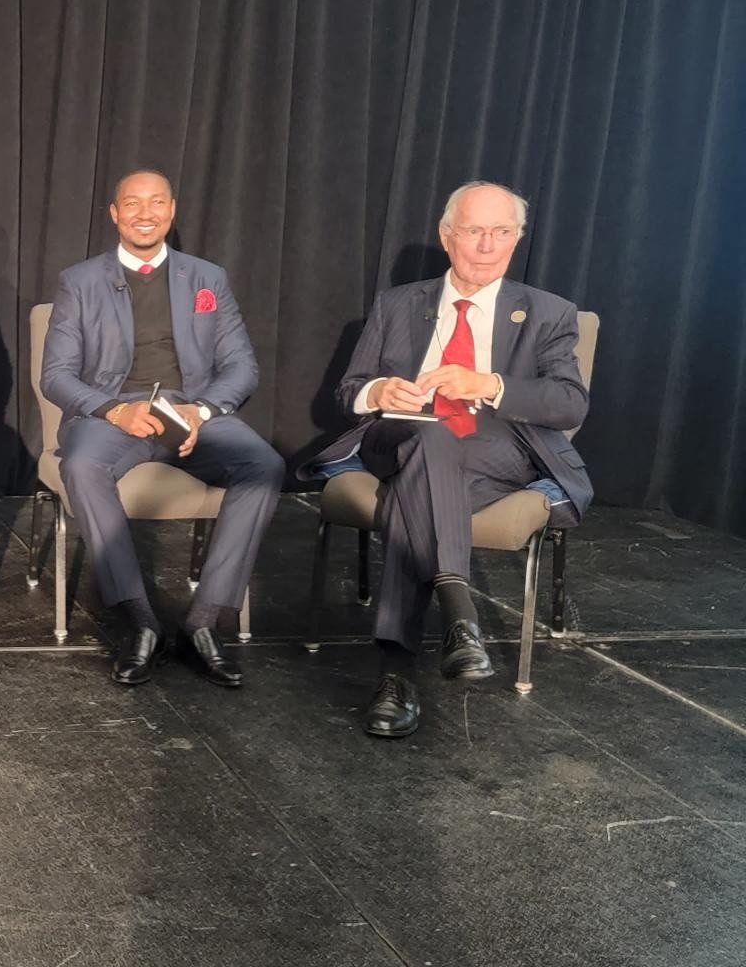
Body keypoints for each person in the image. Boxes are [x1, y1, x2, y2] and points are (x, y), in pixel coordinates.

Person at [316, 181, 591, 739]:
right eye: (474, 230)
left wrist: (488, 383)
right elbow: (349, 392)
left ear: (516, 239)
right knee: (428, 438)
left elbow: (569, 403)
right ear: (448, 236)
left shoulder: (548, 312)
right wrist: (379, 393)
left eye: (502, 232)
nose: (488, 244)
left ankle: (395, 674)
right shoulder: (398, 304)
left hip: (499, 449)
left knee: (416, 491)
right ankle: (457, 607)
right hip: (398, 437)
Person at [40, 170, 284, 687]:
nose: (144, 213)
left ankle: (203, 621)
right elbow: (56, 375)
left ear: (172, 211)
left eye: (155, 203)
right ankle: (140, 621)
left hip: (190, 409)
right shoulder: (79, 280)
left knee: (264, 465)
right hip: (114, 411)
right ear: (114, 212)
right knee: (82, 466)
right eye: (132, 203)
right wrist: (112, 410)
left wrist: (205, 411)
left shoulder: (206, 278)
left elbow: (241, 366)